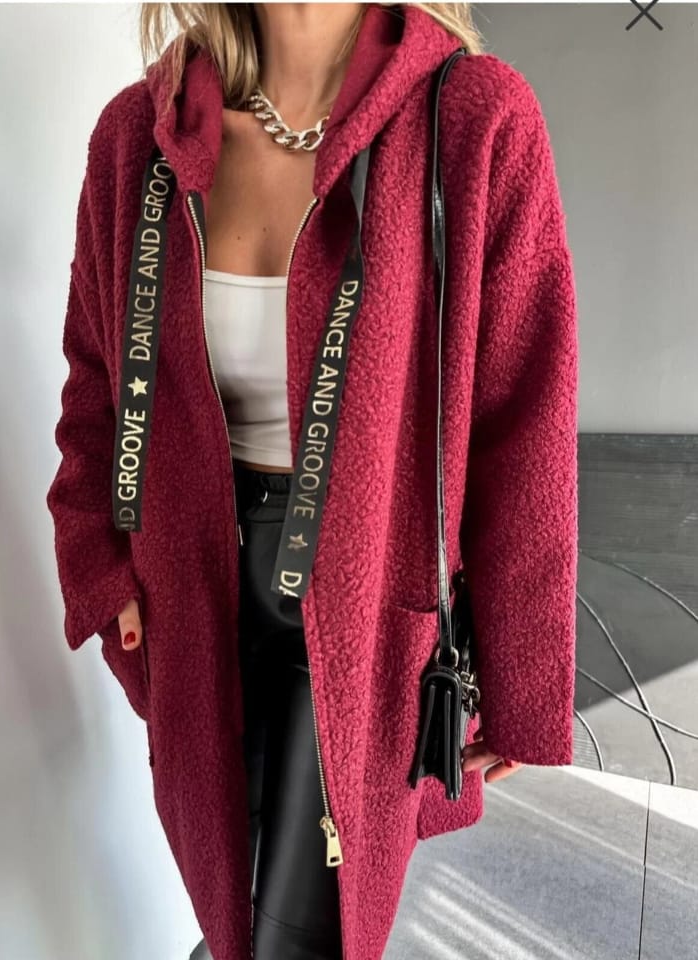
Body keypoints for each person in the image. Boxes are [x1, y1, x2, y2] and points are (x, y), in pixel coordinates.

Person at [46, 3, 578, 959]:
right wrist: (100, 561)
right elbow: (96, 376)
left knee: (312, 929)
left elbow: (524, 420)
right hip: (194, 589)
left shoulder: (474, 118)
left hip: (372, 592)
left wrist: (521, 668)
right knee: (233, 901)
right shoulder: (140, 136)